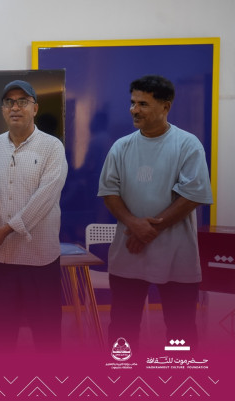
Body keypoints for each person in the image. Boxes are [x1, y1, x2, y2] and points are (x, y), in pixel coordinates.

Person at [98, 75, 213, 351]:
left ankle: (179, 375)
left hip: (177, 256)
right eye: (133, 103)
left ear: (166, 106)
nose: (134, 110)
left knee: (180, 331)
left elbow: (192, 196)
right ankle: (123, 374)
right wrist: (134, 224)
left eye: (143, 104)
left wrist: (150, 230)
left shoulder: (187, 145)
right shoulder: (121, 147)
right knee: (122, 328)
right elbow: (109, 192)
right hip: (129, 254)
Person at [0, 80, 68, 352]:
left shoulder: (52, 147)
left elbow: (44, 199)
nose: (15, 107)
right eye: (9, 102)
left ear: (35, 108)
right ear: (2, 109)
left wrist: (6, 229)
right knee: (1, 340)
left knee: (47, 341)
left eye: (22, 101)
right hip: (1, 260)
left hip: (39, 260)